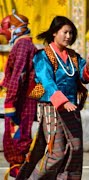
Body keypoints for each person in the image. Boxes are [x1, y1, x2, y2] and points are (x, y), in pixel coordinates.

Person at [16, 16, 89, 179]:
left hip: (72, 108)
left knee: (75, 149)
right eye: (65, 32)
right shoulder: (42, 56)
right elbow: (46, 81)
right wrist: (62, 100)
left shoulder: (73, 56)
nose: (69, 36)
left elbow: (83, 77)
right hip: (51, 108)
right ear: (54, 33)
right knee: (57, 152)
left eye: (71, 33)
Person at [2, 12, 38, 178]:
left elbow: (20, 74)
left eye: (6, 30)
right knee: (18, 138)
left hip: (20, 102)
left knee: (16, 140)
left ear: (15, 28)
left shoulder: (23, 45)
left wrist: (10, 101)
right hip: (22, 100)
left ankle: (20, 174)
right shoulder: (24, 44)